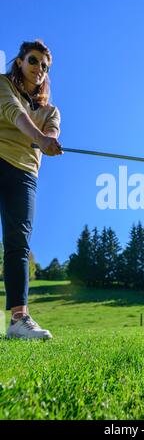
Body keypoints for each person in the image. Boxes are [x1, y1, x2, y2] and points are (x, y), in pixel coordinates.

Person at [0, 39, 63, 339]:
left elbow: (50, 132)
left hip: (25, 174)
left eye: (45, 66)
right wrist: (39, 138)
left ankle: (18, 321)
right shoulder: (3, 85)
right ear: (20, 62)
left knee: (18, 243)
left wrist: (47, 140)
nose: (39, 68)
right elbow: (15, 114)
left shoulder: (51, 111)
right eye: (34, 60)